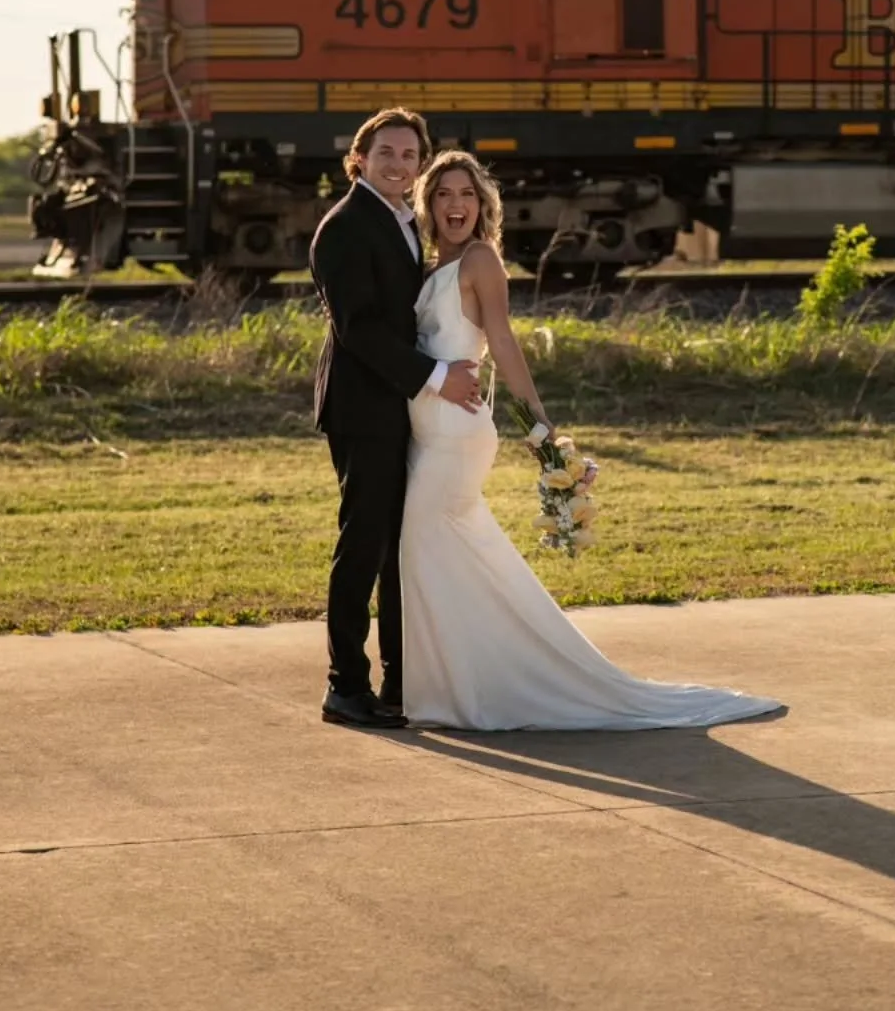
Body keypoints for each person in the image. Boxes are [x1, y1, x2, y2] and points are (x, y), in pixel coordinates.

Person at [399, 149, 786, 732]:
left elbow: (502, 344)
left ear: (483, 206)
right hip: (425, 430)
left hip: (457, 430)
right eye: (445, 195)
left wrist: (541, 429)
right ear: (429, 205)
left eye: (467, 195)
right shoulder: (432, 267)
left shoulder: (480, 260)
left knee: (426, 543)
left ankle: (483, 686)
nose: (456, 205)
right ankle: (454, 683)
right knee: (442, 554)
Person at [309, 109, 484, 729]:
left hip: (403, 410)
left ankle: (399, 683)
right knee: (364, 543)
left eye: (410, 156)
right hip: (363, 409)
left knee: (397, 548)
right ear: (359, 159)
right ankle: (345, 687)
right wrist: (436, 377)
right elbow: (358, 330)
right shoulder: (346, 226)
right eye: (386, 153)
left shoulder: (404, 221)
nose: (398, 164)